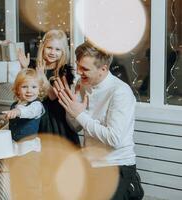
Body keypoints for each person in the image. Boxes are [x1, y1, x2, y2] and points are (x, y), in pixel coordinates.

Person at [53, 42, 144, 200]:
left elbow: (114, 138)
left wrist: (80, 114)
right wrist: (71, 110)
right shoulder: (82, 85)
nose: (79, 73)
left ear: (103, 69)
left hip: (117, 167)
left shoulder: (120, 92)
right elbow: (76, 127)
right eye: (78, 66)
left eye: (85, 69)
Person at [18, 29, 80, 145]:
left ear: (63, 52)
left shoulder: (64, 71)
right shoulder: (33, 66)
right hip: (36, 118)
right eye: (49, 48)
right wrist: (25, 69)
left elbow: (53, 96)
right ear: (43, 47)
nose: (52, 52)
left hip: (56, 120)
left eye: (57, 49)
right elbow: (25, 92)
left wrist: (42, 77)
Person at [4, 68, 45, 141]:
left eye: (34, 87)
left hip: (29, 144)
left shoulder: (37, 105)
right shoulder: (15, 105)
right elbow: (12, 124)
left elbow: (29, 111)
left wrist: (17, 111)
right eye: (24, 87)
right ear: (18, 90)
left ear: (39, 90)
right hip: (14, 142)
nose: (29, 90)